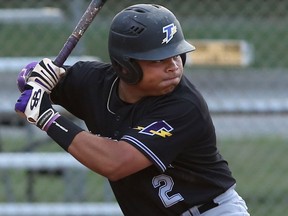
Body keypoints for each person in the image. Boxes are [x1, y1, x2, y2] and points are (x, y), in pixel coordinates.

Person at [15, 4, 250, 216]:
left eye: (177, 54)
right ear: (125, 66)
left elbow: (116, 163)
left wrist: (47, 119)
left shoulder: (184, 106)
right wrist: (36, 78)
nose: (173, 66)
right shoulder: (95, 83)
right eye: (159, 59)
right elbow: (29, 78)